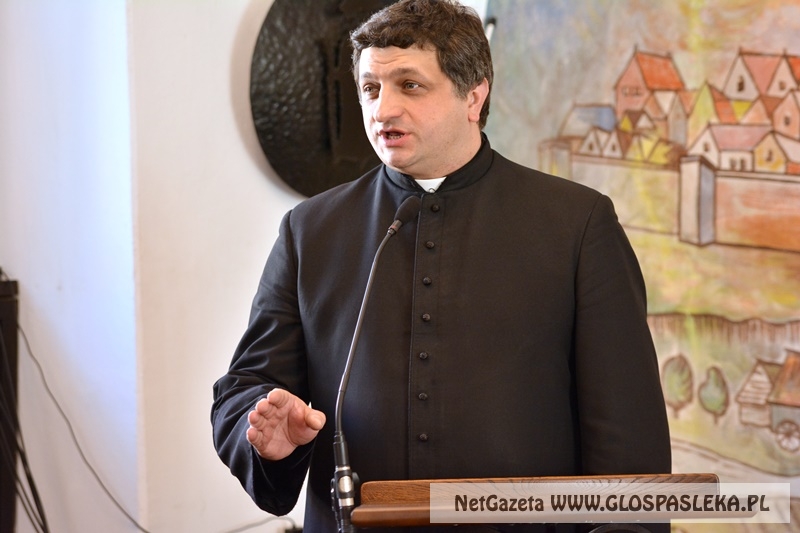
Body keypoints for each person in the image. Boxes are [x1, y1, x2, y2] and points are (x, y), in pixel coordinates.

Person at [211, 0, 671, 531]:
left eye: (409, 85)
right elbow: (247, 386)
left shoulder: (577, 224)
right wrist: (266, 433)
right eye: (370, 88)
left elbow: (627, 433)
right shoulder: (310, 230)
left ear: (474, 96)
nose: (383, 109)